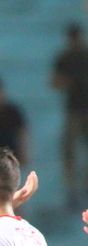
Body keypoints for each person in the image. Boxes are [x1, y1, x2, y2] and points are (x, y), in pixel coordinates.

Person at [51, 23, 88, 206]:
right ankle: (72, 189)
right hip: (74, 109)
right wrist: (70, 82)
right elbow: (55, 83)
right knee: (70, 152)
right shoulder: (64, 58)